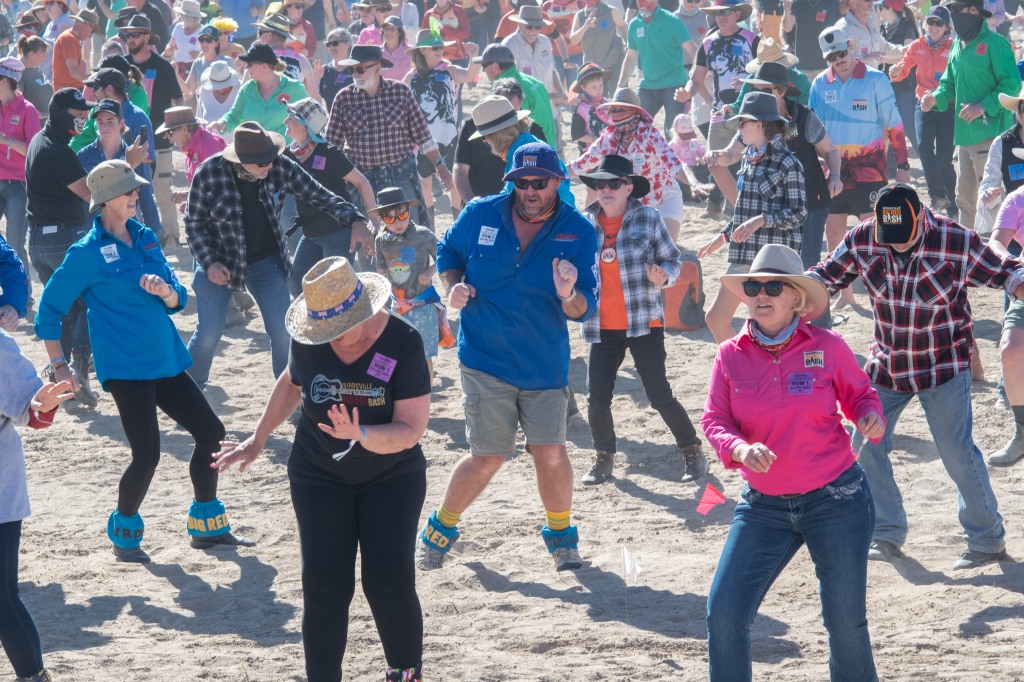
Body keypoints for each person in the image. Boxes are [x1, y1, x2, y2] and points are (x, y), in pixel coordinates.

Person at [213, 257, 430, 682]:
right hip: (318, 475)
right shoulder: (310, 338)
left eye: (339, 329)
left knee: (387, 583)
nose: (332, 340)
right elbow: (292, 383)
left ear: (363, 313)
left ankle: (405, 674)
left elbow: (410, 430)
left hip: (391, 475)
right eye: (324, 330)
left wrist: (360, 433)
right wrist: (257, 440)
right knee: (324, 587)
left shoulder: (403, 342)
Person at [35, 159, 256, 563]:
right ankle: (124, 530)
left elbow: (178, 295)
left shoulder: (147, 237)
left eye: (137, 188)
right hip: (125, 367)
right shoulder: (84, 254)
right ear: (105, 201)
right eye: (129, 190)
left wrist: (169, 295)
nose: (138, 194)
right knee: (148, 454)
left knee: (211, 431)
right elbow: (48, 310)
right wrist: (59, 364)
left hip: (166, 357)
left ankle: (207, 527)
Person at [808, 183, 1024, 569]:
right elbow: (826, 275)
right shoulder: (864, 237)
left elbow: (1003, 268)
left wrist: (1019, 283)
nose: (896, 248)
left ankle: (987, 540)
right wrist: (792, 290)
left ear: (921, 219)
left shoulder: (954, 239)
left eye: (904, 240)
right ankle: (886, 532)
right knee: (863, 443)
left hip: (942, 363)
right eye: (889, 241)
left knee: (956, 451)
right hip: (888, 364)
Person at [702, 243, 884, 682]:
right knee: (723, 614)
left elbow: (860, 393)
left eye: (772, 286)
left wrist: (867, 414)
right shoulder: (729, 355)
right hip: (762, 505)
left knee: (845, 624)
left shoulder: (829, 345)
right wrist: (739, 449)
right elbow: (714, 419)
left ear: (796, 298)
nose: (760, 294)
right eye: (753, 286)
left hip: (837, 499)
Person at [420, 141, 599, 571]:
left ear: (558, 181)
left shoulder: (579, 230)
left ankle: (562, 541)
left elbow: (584, 309)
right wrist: (453, 286)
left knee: (551, 452)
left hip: (543, 363)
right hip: (484, 358)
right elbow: (448, 252)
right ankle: (438, 532)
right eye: (522, 182)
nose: (530, 190)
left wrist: (568, 293)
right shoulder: (482, 212)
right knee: (488, 457)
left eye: (540, 182)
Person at [184, 121, 373, 388]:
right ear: (241, 161)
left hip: (265, 261)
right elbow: (193, 224)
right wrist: (209, 263)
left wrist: (355, 219)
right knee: (208, 333)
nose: (269, 166)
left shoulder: (279, 164)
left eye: (270, 159)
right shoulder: (209, 172)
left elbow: (319, 194)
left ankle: (292, 396)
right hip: (218, 262)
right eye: (261, 164)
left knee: (284, 331)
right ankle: (190, 392)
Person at [576, 154, 707, 485]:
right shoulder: (583, 223)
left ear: (628, 187)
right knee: (597, 398)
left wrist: (665, 278)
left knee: (658, 393)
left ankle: (692, 450)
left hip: (643, 322)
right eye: (600, 183)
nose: (606, 189)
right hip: (601, 326)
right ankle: (604, 458)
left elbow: (673, 261)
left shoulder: (648, 218)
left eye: (614, 183)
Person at [706, 60, 844, 327]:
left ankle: (821, 329)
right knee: (787, 272)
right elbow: (732, 154)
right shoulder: (753, 125)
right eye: (755, 88)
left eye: (765, 89)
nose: (756, 94)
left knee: (808, 268)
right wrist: (717, 157)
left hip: (813, 201)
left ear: (780, 91)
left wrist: (835, 176)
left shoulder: (804, 116)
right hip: (776, 211)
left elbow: (831, 151)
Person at [810, 26, 911, 311]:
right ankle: (845, 293)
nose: (838, 60)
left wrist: (902, 164)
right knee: (834, 234)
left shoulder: (876, 79)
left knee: (878, 233)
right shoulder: (820, 83)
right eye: (831, 57)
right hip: (833, 171)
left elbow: (894, 123)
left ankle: (885, 290)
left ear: (851, 46)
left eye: (842, 53)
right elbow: (810, 126)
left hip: (870, 169)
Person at [696, 91, 807, 343]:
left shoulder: (788, 162)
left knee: (769, 328)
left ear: (759, 125)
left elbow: (799, 214)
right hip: (744, 253)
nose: (739, 128)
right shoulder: (748, 157)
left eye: (742, 123)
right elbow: (744, 211)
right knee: (715, 318)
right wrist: (722, 238)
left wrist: (762, 220)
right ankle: (739, 370)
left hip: (773, 262)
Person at [0, 323, 72, 682]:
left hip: (1, 493)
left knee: (2, 599)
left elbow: (33, 410)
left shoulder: (2, 349)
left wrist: (44, 405)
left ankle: (33, 676)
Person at [325, 43, 454, 225]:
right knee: (369, 237)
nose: (355, 75)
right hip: (363, 181)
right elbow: (331, 145)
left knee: (410, 230)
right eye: (352, 70)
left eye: (360, 69)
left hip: (400, 174)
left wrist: (441, 166)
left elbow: (423, 136)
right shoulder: (343, 98)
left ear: (377, 67)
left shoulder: (400, 92)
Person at [921, 0, 1022, 231]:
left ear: (974, 11)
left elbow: (1012, 83)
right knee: (964, 200)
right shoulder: (958, 44)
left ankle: (998, 254)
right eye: (951, 10)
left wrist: (983, 106)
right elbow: (948, 83)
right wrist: (934, 97)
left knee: (992, 199)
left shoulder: (996, 43)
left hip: (990, 135)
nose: (954, 14)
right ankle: (968, 251)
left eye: (958, 9)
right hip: (964, 137)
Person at [25, 88, 97, 407]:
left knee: (63, 309)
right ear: (60, 114)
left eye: (85, 115)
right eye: (77, 115)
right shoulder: (57, 149)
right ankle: (78, 369)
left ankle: (61, 376)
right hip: (60, 240)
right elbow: (87, 193)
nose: (83, 119)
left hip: (39, 241)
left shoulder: (39, 142)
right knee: (88, 301)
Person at [283, 96, 378, 291]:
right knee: (296, 283)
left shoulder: (329, 153)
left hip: (338, 231)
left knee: (336, 286)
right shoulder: (287, 155)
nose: (285, 121)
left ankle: (370, 309)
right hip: (310, 232)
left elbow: (362, 182)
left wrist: (374, 220)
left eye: (290, 118)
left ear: (304, 125)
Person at [568, 87, 687, 238]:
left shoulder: (650, 134)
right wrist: (552, 175)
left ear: (636, 112)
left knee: (666, 253)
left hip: (664, 197)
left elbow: (674, 163)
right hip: (631, 206)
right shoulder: (607, 139)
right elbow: (579, 165)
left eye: (623, 108)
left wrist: (694, 182)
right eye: (615, 109)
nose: (618, 113)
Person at [123, 12, 186, 247]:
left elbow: (178, 100)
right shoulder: (122, 66)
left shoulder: (163, 66)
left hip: (160, 140)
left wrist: (176, 128)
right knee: (131, 192)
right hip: (128, 142)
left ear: (147, 37)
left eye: (135, 34)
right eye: (128, 34)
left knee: (162, 189)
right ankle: (138, 236)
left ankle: (171, 234)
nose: (130, 38)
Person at [373, 186, 451, 375]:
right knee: (396, 353)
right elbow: (381, 275)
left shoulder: (423, 234)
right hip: (397, 305)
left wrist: (431, 271)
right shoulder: (381, 241)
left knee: (423, 355)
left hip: (422, 304)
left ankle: (426, 393)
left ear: (409, 211)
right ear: (382, 219)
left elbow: (445, 256)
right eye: (390, 218)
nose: (398, 222)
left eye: (401, 215)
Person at [404, 27, 479, 223]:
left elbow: (470, 76)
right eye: (434, 47)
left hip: (449, 135)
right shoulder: (410, 76)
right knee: (424, 183)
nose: (439, 50)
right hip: (420, 139)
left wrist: (473, 57)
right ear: (422, 50)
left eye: (441, 46)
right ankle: (429, 228)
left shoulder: (449, 70)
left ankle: (457, 222)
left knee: (454, 182)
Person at [889, 6, 956, 216]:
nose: (934, 27)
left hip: (947, 106)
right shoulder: (918, 45)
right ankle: (937, 195)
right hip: (923, 104)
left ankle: (953, 203)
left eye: (939, 23)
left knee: (945, 158)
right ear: (925, 24)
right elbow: (903, 69)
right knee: (923, 146)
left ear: (947, 28)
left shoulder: (955, 47)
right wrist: (896, 71)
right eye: (931, 22)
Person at [452, 77, 548, 202]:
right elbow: (459, 169)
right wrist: (472, 203)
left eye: (511, 112)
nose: (484, 140)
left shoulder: (526, 149)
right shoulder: (471, 125)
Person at [76, 99, 161, 236]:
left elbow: (146, 196)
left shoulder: (133, 155)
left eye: (110, 121)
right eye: (100, 122)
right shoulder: (83, 155)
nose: (104, 127)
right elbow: (76, 199)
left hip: (126, 230)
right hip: (93, 231)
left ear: (122, 123)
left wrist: (155, 231)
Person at [470, 94, 575, 205]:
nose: (484, 141)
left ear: (498, 135)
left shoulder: (525, 156)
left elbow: (511, 202)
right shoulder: (530, 145)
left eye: (483, 136)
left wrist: (480, 203)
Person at [618, 0, 694, 133]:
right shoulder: (634, 25)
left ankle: (675, 154)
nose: (646, 7)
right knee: (636, 128)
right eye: (642, 3)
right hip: (648, 85)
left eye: (650, 3)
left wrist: (697, 75)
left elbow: (692, 49)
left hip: (674, 84)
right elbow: (630, 57)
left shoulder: (672, 21)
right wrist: (620, 85)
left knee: (673, 131)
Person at [210, 42, 307, 136]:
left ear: (264, 66)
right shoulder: (247, 89)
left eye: (249, 64)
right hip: (255, 150)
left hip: (286, 151)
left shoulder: (295, 88)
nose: (246, 67)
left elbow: (311, 118)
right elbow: (234, 116)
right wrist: (221, 124)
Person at [0, 56, 40, 284]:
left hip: (19, 184)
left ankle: (22, 295)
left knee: (14, 241)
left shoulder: (28, 110)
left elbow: (33, 151)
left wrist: (6, 141)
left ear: (5, 82)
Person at [475, 42, 558, 145]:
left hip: (533, 153)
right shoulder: (533, 82)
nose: (482, 69)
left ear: (496, 67)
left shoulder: (507, 92)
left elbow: (512, 131)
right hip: (547, 149)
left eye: (484, 65)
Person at [502, 4, 564, 97]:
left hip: (546, 103)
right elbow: (507, 81)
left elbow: (552, 70)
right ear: (519, 24)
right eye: (529, 26)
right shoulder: (508, 45)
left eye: (538, 27)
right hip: (524, 104)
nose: (533, 31)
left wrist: (561, 93)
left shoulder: (545, 41)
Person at [569, 0, 626, 96]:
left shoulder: (611, 11)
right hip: (593, 69)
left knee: (617, 97)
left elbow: (623, 26)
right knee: (596, 101)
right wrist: (585, 26)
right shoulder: (580, 15)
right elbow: (574, 40)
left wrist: (626, 42)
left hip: (614, 63)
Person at [781, 0, 841, 76]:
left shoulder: (833, 2)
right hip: (803, 67)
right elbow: (787, 28)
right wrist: (786, 11)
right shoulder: (797, 2)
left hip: (826, 66)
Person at [50, 8, 101, 91]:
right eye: (92, 30)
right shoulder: (69, 39)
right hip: (67, 92)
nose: (90, 35)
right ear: (85, 25)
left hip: (72, 89)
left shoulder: (73, 39)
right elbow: (73, 72)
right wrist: (93, 80)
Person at [568, 61, 610, 150]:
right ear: (583, 87)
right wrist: (596, 139)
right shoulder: (581, 109)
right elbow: (577, 134)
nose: (598, 89)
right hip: (590, 153)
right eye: (594, 87)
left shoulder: (607, 103)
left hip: (608, 150)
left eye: (600, 85)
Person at [183, 23, 230, 99]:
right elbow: (188, 90)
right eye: (201, 40)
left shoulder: (227, 61)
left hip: (223, 107)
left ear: (216, 43)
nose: (204, 43)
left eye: (208, 40)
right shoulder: (197, 63)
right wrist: (175, 74)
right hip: (203, 108)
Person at [15, 34, 50, 123]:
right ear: (32, 54)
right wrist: (36, 114)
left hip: (46, 122)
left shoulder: (37, 69)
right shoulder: (18, 73)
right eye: (43, 55)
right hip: (32, 125)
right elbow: (17, 102)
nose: (45, 58)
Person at [165, 0, 204, 78]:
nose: (180, 17)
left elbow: (209, 51)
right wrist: (169, 49)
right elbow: (170, 44)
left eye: (182, 14)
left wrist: (199, 55)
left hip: (194, 70)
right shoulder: (179, 27)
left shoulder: (203, 31)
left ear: (191, 17)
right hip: (177, 68)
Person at [196, 59, 241, 125]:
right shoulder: (204, 90)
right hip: (210, 135)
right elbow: (199, 119)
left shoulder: (239, 88)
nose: (220, 88)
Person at [316, 26, 353, 105]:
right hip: (332, 117)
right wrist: (316, 81)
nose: (331, 47)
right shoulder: (324, 70)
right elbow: (316, 101)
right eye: (328, 44)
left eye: (335, 43)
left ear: (347, 44)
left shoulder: (357, 68)